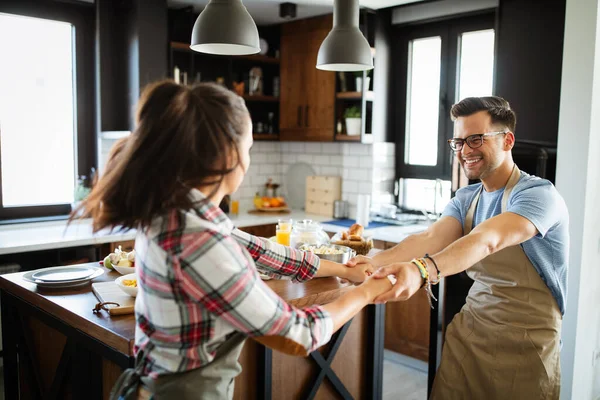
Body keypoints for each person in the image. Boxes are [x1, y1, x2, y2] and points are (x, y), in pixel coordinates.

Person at [75, 81, 392, 400]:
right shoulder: (199, 239)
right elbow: (298, 334)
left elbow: (261, 251)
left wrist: (346, 271)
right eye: (249, 147)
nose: (249, 158)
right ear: (229, 152)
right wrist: (364, 293)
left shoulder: (177, 212)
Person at [348, 96, 569, 399]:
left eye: (476, 139)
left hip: (526, 345)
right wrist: (373, 261)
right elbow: (429, 238)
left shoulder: (538, 196)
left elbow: (487, 240)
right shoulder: (466, 198)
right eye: (459, 142)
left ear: (507, 140)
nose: (465, 151)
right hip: (471, 335)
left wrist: (423, 269)